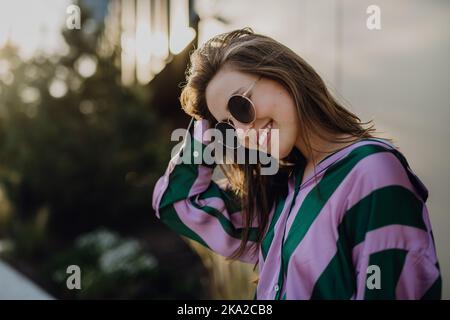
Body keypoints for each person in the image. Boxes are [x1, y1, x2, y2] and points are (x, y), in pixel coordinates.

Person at [152, 27, 441, 299]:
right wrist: (206, 111)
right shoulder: (283, 191)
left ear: (282, 75)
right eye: (228, 128)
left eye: (241, 105)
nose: (243, 133)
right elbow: (177, 202)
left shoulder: (372, 172)